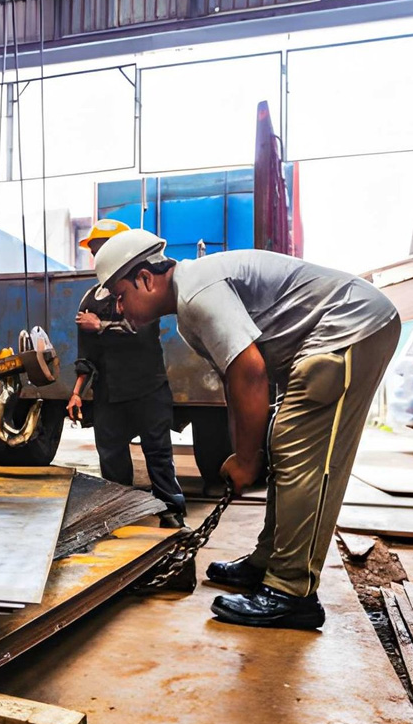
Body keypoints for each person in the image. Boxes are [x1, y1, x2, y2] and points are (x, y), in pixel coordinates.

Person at [94, 228, 400, 629]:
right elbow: (236, 383)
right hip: (333, 332)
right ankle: (268, 561)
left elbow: (251, 372)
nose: (118, 308)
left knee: (299, 452)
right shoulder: (189, 308)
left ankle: (292, 592)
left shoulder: (197, 291)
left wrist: (246, 458)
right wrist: (243, 452)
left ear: (146, 279)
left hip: (351, 326)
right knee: (282, 445)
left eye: (120, 296)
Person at [67, 219, 186, 528]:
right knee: (112, 457)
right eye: (94, 250)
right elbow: (87, 354)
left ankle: (171, 512)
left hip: (148, 388)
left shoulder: (142, 288)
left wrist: (100, 326)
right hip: (109, 392)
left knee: (158, 453)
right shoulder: (90, 299)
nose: (98, 256)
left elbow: (140, 330)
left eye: (103, 248)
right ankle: (118, 514)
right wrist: (77, 392)